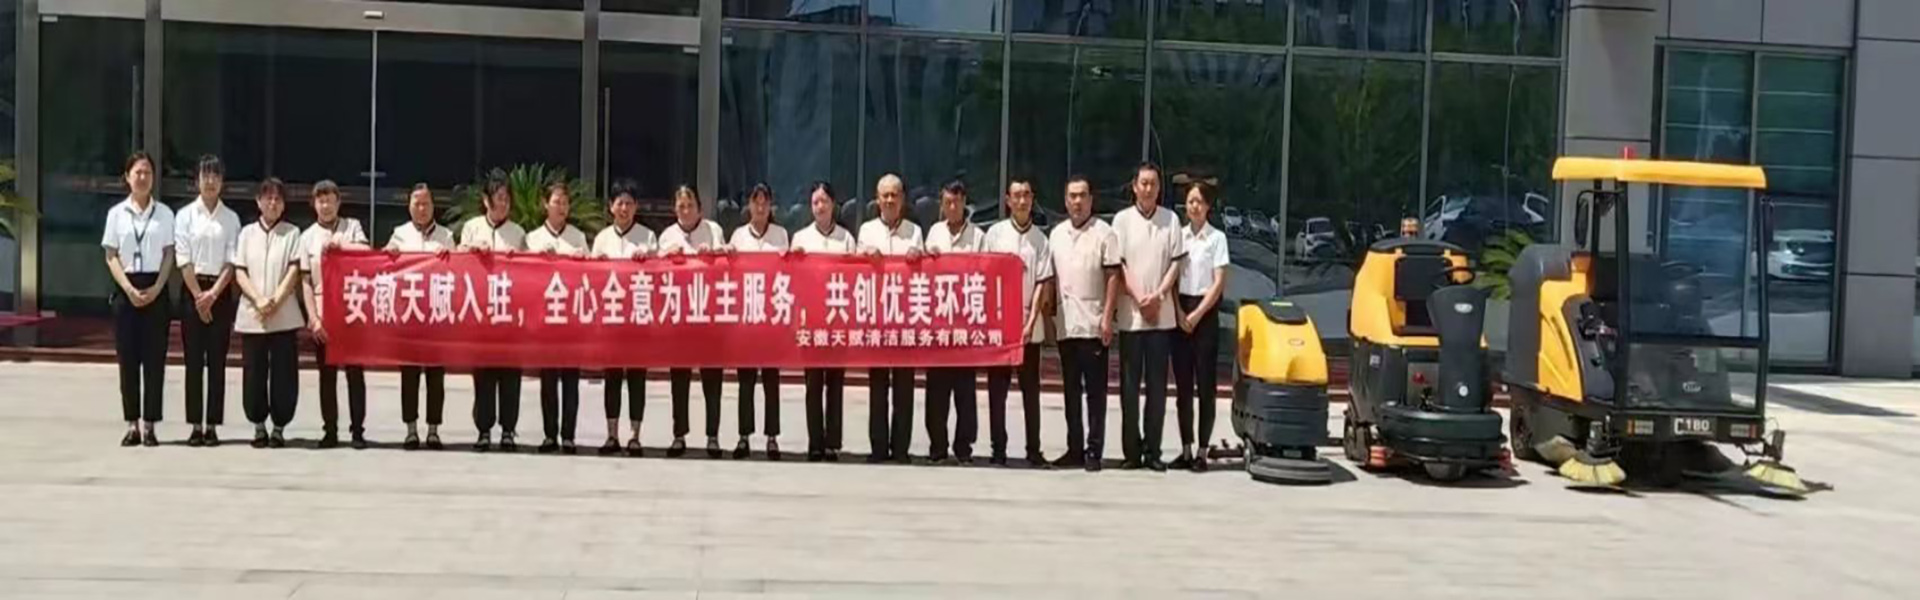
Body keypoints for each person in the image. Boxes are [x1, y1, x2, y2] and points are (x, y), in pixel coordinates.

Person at [1112, 162, 1184, 472]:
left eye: (1153, 183)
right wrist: (1141, 297)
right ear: (1134, 186)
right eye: (1143, 183)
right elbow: (1119, 265)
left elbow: (1176, 264)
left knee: (1157, 388)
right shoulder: (1122, 221)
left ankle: (1153, 451)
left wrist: (1157, 297)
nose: (1148, 189)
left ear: (1159, 188)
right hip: (1131, 317)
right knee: (1129, 389)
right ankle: (1131, 451)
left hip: (1161, 318)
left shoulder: (1171, 220)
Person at [1047, 175, 1121, 472]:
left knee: (1095, 392)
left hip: (1094, 324)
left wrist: (1108, 318)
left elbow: (1113, 276)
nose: (1077, 202)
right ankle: (1074, 448)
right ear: (1065, 201)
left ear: (1091, 200)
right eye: (1072, 196)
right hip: (1066, 324)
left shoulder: (1105, 233)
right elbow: (1050, 279)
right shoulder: (1056, 234)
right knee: (1070, 391)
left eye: (1082, 196)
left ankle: (1094, 450)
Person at [102, 151, 175, 447]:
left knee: (155, 361)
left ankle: (150, 425)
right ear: (127, 177)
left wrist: (157, 287)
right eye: (137, 172)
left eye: (147, 172)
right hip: (126, 289)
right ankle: (131, 424)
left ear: (154, 178)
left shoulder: (165, 214)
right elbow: (111, 255)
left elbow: (169, 254)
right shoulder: (116, 214)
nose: (142, 177)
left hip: (156, 287)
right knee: (128, 360)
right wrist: (129, 289)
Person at [982, 177, 1054, 468]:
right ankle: (998, 448)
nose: (1022, 201)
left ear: (1032, 199)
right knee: (997, 392)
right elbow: (986, 278)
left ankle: (1033, 449)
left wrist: (1030, 321)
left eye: (1026, 195)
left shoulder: (1041, 240)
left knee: (1030, 391)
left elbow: (1042, 283)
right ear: (1008, 201)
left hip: (1029, 328)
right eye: (1017, 196)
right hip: (1001, 327)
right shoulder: (995, 235)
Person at [232, 178, 306, 449]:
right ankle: (258, 425)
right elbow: (240, 271)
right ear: (258, 202)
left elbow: (294, 270)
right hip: (253, 316)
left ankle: (279, 427)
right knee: (254, 373)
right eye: (268, 198)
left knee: (284, 374)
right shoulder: (247, 233)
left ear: (284, 204)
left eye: (278, 199)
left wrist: (275, 300)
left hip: (283, 315)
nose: (273, 203)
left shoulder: (292, 233)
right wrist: (259, 300)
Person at [173, 155, 242, 447]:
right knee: (193, 361)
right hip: (192, 290)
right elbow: (183, 258)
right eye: (205, 175)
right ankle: (195, 425)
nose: (210, 181)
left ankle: (212, 424)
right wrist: (198, 296)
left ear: (222, 181)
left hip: (220, 292)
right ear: (197, 180)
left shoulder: (231, 218)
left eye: (215, 176)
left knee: (217, 361)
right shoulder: (185, 215)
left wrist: (212, 295)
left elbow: (232, 261)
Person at [299, 180, 372, 450]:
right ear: (314, 205)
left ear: (339, 202)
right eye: (321, 201)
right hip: (322, 311)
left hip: (352, 310)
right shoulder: (307, 237)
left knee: (355, 373)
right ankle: (330, 430)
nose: (326, 206)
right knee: (326, 375)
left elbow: (367, 252)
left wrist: (342, 245)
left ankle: (358, 431)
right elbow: (305, 281)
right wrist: (313, 318)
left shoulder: (352, 226)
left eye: (330, 200)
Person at [657, 184, 728, 458]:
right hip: (680, 317)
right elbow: (655, 271)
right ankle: (679, 434)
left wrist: (714, 254)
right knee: (679, 379)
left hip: (709, 315)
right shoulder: (667, 236)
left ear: (700, 208)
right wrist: (667, 257)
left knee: (712, 379)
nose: (686, 211)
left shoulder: (713, 230)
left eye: (690, 206)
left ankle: (713, 435)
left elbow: (727, 264)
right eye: (681, 206)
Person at [857, 173, 923, 464]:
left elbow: (925, 268)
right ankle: (879, 447)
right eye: (884, 195)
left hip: (906, 318)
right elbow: (852, 267)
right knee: (878, 387)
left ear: (903, 199)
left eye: (894, 194)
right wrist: (864, 253)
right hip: (877, 319)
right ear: (877, 198)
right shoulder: (867, 230)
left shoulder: (915, 232)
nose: (889, 200)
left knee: (904, 388)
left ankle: (901, 449)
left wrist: (919, 255)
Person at [460, 177, 528, 453]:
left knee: (511, 375)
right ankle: (484, 429)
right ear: (486, 201)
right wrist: (472, 251)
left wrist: (519, 258)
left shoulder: (518, 232)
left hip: (510, 316)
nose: (504, 203)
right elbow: (457, 261)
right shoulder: (472, 228)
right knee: (483, 376)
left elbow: (531, 272)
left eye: (507, 198)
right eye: (499, 198)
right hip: (481, 315)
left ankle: (509, 430)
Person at [789, 181, 855, 463]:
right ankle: (815, 442)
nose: (820, 207)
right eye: (815, 202)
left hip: (838, 319)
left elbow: (855, 278)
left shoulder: (846, 238)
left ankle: (832, 443)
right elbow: (791, 279)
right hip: (812, 321)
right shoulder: (801, 238)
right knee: (813, 384)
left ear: (833, 205)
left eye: (824, 201)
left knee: (835, 384)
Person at [385, 184, 454, 451]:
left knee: (436, 376)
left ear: (434, 206)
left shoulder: (446, 236)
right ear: (409, 206)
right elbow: (385, 265)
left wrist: (449, 257)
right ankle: (411, 429)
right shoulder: (399, 235)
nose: (422, 209)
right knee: (409, 375)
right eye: (417, 204)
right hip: (409, 316)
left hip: (437, 315)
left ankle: (434, 430)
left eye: (426, 204)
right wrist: (390, 254)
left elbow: (460, 271)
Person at [921, 179, 985, 465]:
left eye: (956, 202)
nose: (952, 207)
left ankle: (964, 447)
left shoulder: (978, 236)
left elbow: (986, 271)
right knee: (936, 390)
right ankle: (937, 446)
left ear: (964, 202)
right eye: (947, 202)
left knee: (965, 391)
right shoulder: (934, 232)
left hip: (966, 323)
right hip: (937, 324)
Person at [592, 179, 655, 457]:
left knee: (637, 379)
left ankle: (635, 435)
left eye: (629, 203)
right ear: (611, 207)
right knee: (612, 378)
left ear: (636, 207)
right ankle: (612, 434)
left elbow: (660, 274)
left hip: (638, 319)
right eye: (620, 203)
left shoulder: (648, 237)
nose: (624, 208)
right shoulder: (602, 239)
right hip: (611, 320)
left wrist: (648, 259)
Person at [1169, 178, 1229, 472]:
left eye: (1199, 202)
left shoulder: (1217, 239)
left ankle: (1203, 451)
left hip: (1205, 314)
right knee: (1182, 387)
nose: (1194, 206)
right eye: (1190, 201)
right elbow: (1171, 278)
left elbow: (1218, 283)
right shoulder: (1179, 237)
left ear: (1208, 206)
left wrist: (1197, 314)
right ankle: (1186, 448)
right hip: (1181, 310)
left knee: (1205, 386)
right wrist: (1180, 312)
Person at [727, 183, 789, 461]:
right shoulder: (739, 236)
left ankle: (772, 437)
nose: (760, 207)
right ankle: (744, 436)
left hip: (772, 318)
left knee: (771, 381)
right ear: (749, 205)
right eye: (756, 202)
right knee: (746, 381)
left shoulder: (780, 234)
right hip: (747, 317)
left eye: (765, 202)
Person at [526, 183, 589, 455]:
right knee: (548, 380)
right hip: (545, 320)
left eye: (565, 202)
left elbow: (591, 276)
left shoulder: (578, 237)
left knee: (571, 381)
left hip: (571, 319)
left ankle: (569, 435)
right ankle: (550, 434)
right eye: (556, 202)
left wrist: (581, 260)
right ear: (545, 204)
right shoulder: (533, 239)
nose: (561, 207)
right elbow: (524, 276)